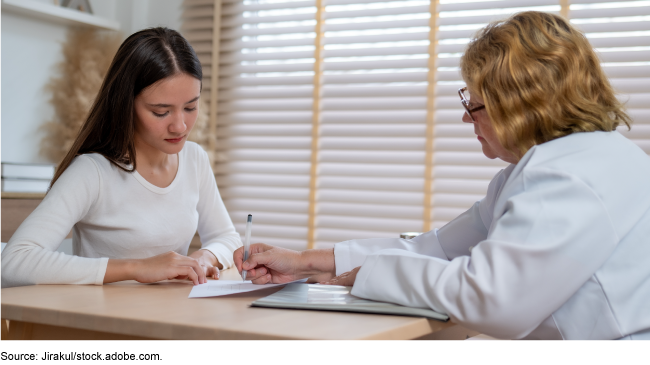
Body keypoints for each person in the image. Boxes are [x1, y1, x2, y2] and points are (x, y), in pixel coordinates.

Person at [233, 11, 650, 340]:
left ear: (520, 104)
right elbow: (438, 248)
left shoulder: (567, 177)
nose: (466, 116)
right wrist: (304, 262)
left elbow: (494, 301)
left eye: (475, 103)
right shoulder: (565, 163)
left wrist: (371, 276)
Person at [0, 28, 241, 288]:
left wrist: (206, 256)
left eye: (190, 107)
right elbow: (14, 262)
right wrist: (137, 268)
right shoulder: (93, 172)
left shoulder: (195, 160)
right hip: (103, 322)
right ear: (126, 104)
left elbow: (227, 237)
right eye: (161, 112)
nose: (180, 126)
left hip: (169, 316)